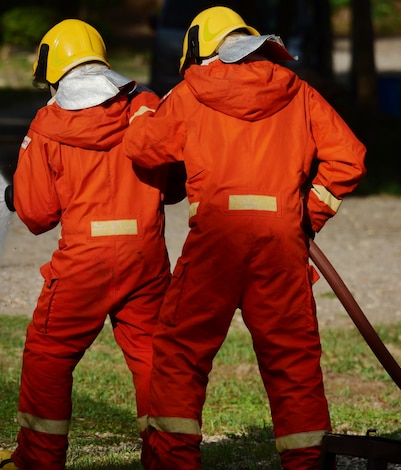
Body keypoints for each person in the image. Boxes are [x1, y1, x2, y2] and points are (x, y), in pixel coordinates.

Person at [122, 6, 367, 470]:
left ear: (199, 48)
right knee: (293, 364)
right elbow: (349, 160)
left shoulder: (190, 92)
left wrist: (142, 113)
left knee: (180, 357)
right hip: (280, 246)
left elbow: (142, 147)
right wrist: (305, 216)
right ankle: (307, 463)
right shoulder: (296, 90)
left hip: (214, 241)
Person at [0, 19, 186, 470]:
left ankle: (37, 463)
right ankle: (171, 461)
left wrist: (19, 191)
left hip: (82, 264)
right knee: (154, 358)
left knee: (48, 356)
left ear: (54, 69)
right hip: (145, 258)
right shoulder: (143, 105)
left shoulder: (47, 125)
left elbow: (38, 214)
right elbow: (173, 183)